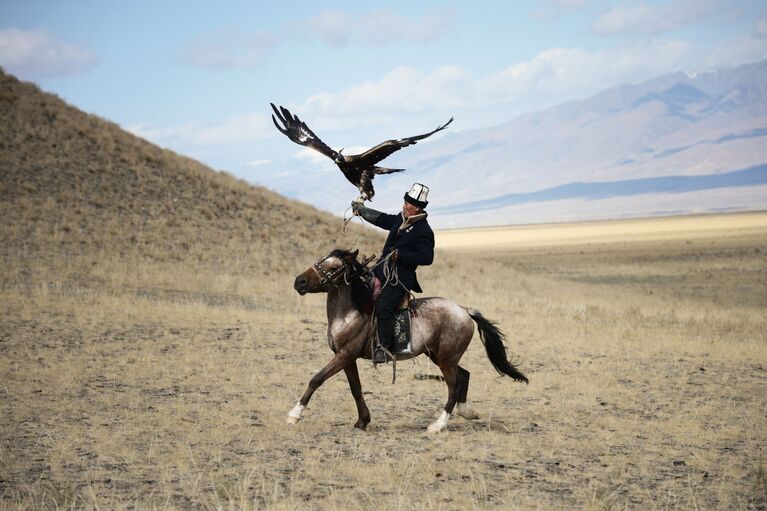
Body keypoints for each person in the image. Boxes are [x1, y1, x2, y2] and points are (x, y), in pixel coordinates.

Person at [352, 183, 434, 363]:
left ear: (418, 208)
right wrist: (362, 211)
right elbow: (383, 219)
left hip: (400, 279)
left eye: (408, 204)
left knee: (384, 307)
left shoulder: (424, 231)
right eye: (404, 202)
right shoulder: (401, 218)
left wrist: (401, 255)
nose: (404, 206)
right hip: (380, 270)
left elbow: (427, 257)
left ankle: (384, 348)